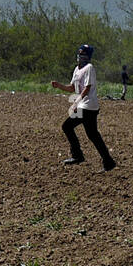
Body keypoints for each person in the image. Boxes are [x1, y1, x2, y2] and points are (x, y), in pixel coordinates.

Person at [50, 44, 116, 172]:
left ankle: (78, 156)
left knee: (67, 126)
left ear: (88, 57)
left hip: (87, 105)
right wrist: (59, 86)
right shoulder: (77, 69)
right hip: (87, 106)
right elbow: (73, 88)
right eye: (79, 54)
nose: (80, 56)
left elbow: (87, 88)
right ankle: (108, 162)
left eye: (83, 54)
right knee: (93, 134)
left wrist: (76, 102)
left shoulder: (89, 68)